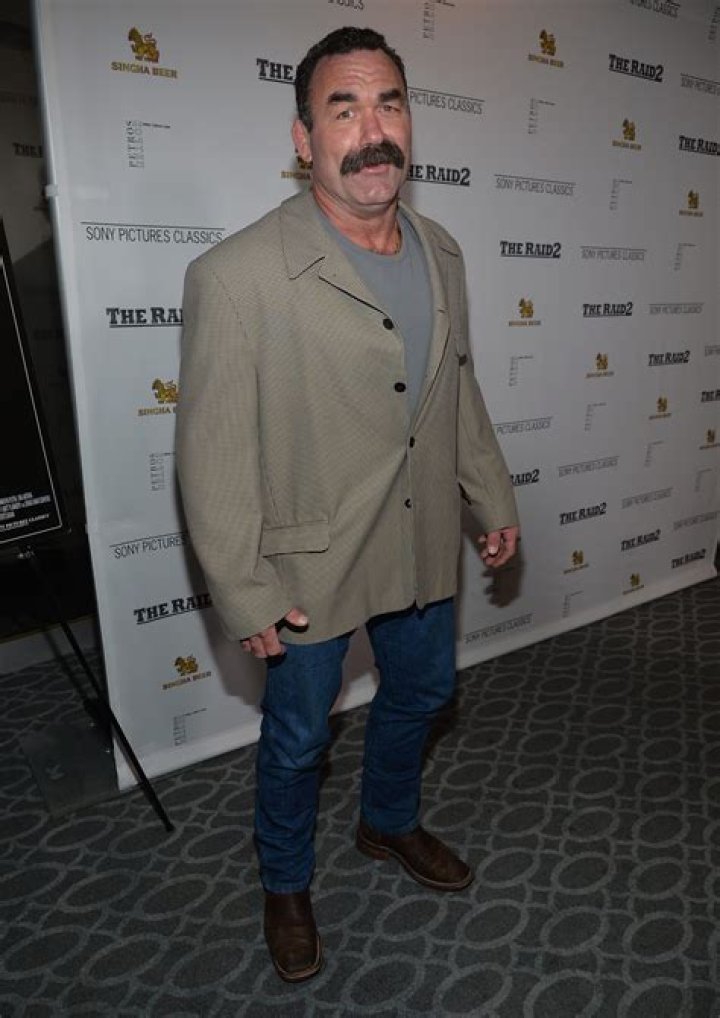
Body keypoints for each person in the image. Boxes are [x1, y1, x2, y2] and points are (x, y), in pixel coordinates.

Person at [176, 26, 519, 984]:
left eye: (389, 104)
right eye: (344, 109)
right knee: (297, 739)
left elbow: (456, 388)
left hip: (419, 535)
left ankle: (388, 820)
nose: (373, 132)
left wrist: (489, 494)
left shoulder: (442, 250)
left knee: (425, 693)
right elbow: (210, 451)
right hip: (306, 563)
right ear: (304, 140)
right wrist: (242, 587)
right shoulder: (236, 275)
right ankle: (285, 882)